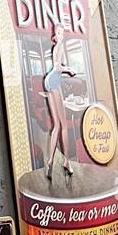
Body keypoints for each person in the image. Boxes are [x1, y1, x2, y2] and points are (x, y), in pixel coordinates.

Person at [43, 24, 75, 179]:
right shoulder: (59, 47)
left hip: (49, 81)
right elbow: (57, 67)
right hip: (54, 81)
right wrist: (69, 69)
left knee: (56, 125)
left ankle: (50, 161)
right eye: (58, 32)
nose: (61, 34)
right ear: (56, 33)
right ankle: (67, 161)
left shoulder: (56, 47)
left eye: (62, 32)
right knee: (64, 126)